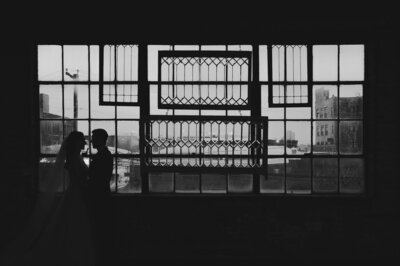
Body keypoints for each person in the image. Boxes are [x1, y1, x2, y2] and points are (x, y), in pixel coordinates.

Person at [0, 131, 95, 266]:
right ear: (76, 143)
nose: (84, 144)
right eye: (82, 141)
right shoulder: (75, 158)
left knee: (72, 221)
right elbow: (80, 177)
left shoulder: (74, 157)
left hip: (75, 192)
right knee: (76, 221)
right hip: (77, 192)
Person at [87, 128, 114, 266]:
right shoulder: (103, 154)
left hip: (100, 196)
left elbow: (101, 178)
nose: (91, 141)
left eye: (94, 138)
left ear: (100, 140)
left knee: (100, 228)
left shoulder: (105, 155)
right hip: (100, 195)